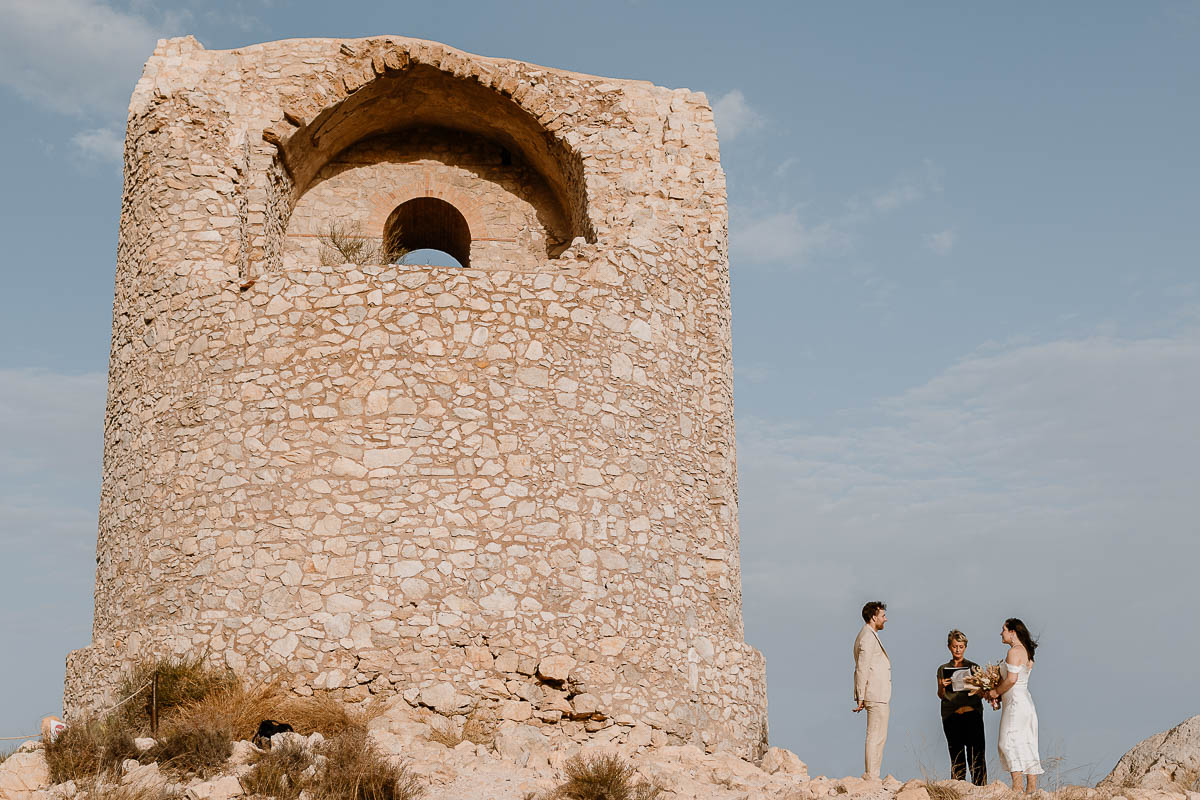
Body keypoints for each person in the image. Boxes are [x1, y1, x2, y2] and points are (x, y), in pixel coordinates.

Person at [984, 618, 1043, 793]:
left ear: (1012, 632)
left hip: (1016, 704)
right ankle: (1031, 788)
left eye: (1003, 629)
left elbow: (1012, 679)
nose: (1001, 633)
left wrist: (995, 692)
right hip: (1025, 702)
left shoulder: (1014, 651)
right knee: (1027, 741)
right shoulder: (1026, 652)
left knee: (1007, 742)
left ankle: (1017, 786)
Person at [936, 629, 987, 785]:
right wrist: (941, 686)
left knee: (976, 755)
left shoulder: (974, 667)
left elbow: (983, 693)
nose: (957, 650)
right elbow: (941, 695)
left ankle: (980, 788)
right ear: (949, 647)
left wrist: (976, 686)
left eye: (961, 646)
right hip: (952, 716)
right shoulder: (943, 669)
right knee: (956, 754)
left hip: (972, 715)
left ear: (965, 647)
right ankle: (958, 788)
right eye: (954, 646)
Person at [853, 600, 891, 780]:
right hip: (875, 693)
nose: (886, 619)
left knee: (879, 736)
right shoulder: (867, 637)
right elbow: (862, 667)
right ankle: (872, 774)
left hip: (878, 693)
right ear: (874, 617)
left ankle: (874, 773)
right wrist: (860, 696)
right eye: (883, 616)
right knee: (876, 734)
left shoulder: (868, 635)